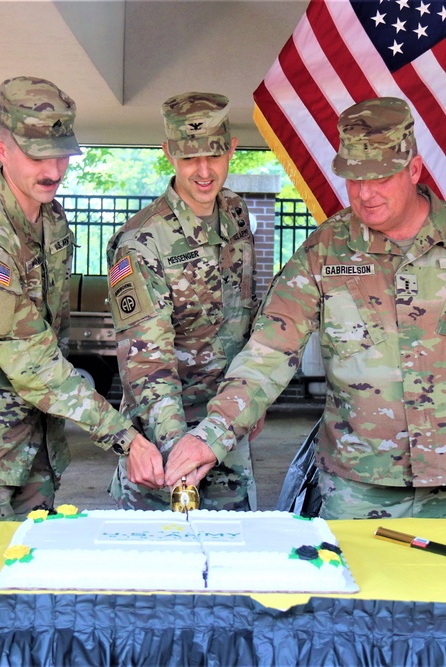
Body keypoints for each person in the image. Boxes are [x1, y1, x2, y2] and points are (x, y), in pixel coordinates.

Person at [164, 97, 446, 520]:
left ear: (413, 169)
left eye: (380, 178)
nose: (366, 193)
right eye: (354, 180)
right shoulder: (324, 251)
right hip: (360, 485)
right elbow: (268, 352)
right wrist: (212, 435)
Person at [0, 76, 163, 521]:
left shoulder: (51, 218)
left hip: (36, 445)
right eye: (36, 156)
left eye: (62, 154)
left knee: (27, 579)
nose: (53, 171)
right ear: (1, 150)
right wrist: (123, 437)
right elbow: (30, 360)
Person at [105, 92, 260, 510]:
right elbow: (147, 363)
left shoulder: (236, 215)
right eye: (190, 158)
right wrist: (183, 450)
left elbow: (246, 315)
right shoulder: (141, 242)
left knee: (233, 563)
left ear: (231, 149)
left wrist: (249, 403)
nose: (204, 171)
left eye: (213, 154)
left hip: (226, 429)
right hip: (164, 445)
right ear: (168, 153)